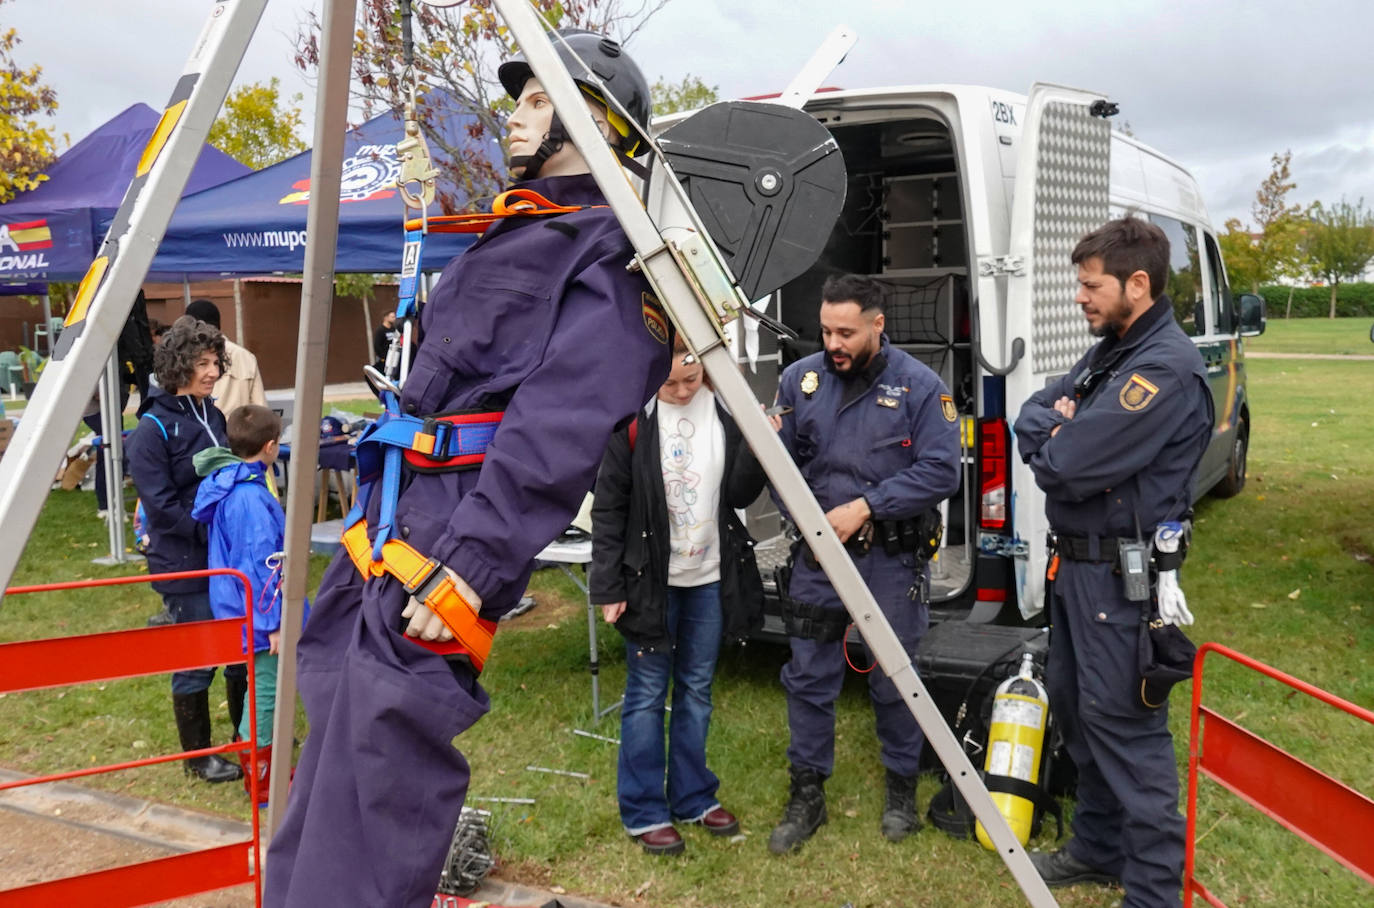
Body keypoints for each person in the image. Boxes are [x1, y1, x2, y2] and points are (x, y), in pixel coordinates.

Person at [264, 32, 670, 908]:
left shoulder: (606, 250)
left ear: (596, 121)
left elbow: (555, 428)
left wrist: (476, 572)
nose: (514, 114)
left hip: (440, 556)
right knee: (324, 779)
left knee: (373, 800)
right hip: (381, 540)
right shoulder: (518, 232)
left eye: (534, 100)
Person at [1013, 217, 1212, 907]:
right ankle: (1098, 848)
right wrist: (1056, 424)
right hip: (1078, 571)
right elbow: (1032, 416)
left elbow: (1063, 461)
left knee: (1126, 727)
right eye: (1079, 283)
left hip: (1120, 582)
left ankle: (1156, 892)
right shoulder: (1112, 349)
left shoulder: (1162, 366)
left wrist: (1059, 433)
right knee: (1078, 713)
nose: (1079, 297)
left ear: (1138, 283)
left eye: (1090, 285)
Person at [765, 273, 961, 854]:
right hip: (818, 561)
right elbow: (780, 461)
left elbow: (941, 471)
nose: (833, 344)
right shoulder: (798, 381)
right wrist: (807, 520)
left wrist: (867, 506)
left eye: (846, 332)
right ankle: (807, 790)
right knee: (808, 675)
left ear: (878, 324)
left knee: (895, 676)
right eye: (825, 331)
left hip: (891, 559)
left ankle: (901, 786)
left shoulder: (921, 388)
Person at [589, 337, 767, 856]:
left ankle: (693, 797)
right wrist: (607, 584)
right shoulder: (631, 422)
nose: (684, 390)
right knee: (646, 696)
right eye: (671, 382)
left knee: (696, 691)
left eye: (693, 379)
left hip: (709, 579)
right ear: (650, 375)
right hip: (650, 584)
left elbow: (736, 494)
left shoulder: (725, 412)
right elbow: (609, 510)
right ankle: (645, 812)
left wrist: (757, 448)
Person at [124, 315, 245, 784]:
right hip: (186, 564)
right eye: (202, 363)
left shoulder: (213, 414)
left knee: (239, 650)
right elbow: (162, 507)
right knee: (197, 660)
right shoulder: (151, 430)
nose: (213, 371)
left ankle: (244, 733)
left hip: (229, 561)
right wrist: (208, 531)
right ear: (178, 366)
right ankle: (198, 758)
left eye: (216, 361)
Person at [192, 404, 297, 806]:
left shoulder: (234, 484)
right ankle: (264, 780)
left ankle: (261, 764)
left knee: (261, 689)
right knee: (266, 693)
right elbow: (260, 564)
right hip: (257, 615)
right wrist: (272, 623)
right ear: (270, 447)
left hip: (242, 610)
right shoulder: (251, 498)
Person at [184, 299, 267, 415]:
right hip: (238, 431)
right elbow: (261, 410)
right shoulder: (246, 357)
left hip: (203, 429)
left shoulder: (186, 355)